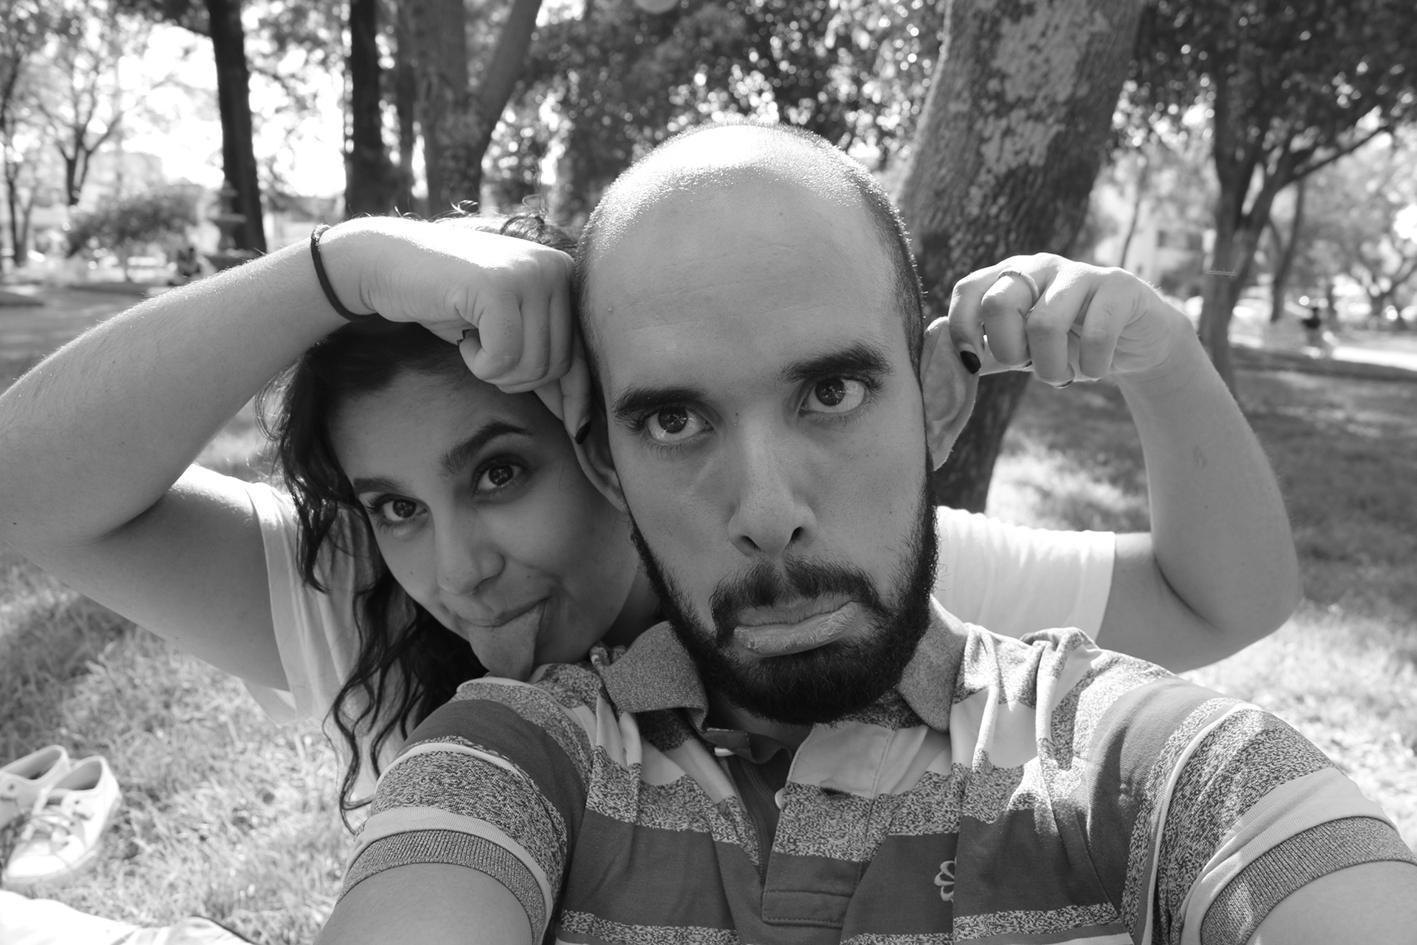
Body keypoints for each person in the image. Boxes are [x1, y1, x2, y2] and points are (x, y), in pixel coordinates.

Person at [318, 123, 1416, 944]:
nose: (767, 513)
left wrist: (1161, 352)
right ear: (606, 460)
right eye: (674, 420)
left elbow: (1252, 748)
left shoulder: (1121, 759)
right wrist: (341, 267)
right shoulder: (515, 759)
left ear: (937, 399)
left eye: (830, 392)